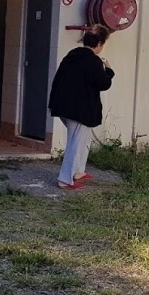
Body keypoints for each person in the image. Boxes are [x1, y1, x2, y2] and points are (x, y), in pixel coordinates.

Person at [48, 24, 114, 190]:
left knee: (83, 138)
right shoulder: (94, 61)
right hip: (80, 110)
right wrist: (109, 70)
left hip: (63, 106)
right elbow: (103, 84)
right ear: (99, 43)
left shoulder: (72, 55)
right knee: (76, 143)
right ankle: (65, 179)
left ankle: (78, 172)